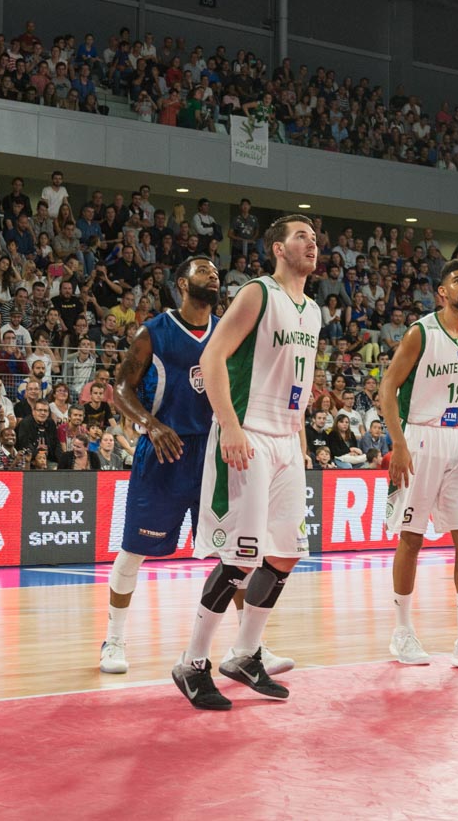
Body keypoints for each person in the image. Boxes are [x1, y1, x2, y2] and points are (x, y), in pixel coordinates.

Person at [98, 257, 291, 677]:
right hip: (165, 453)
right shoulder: (153, 332)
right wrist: (149, 425)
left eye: (216, 271)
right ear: (182, 283)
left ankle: (245, 648)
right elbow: (121, 389)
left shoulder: (230, 329)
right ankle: (113, 638)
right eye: (203, 270)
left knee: (238, 551)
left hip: (218, 452)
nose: (213, 275)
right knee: (134, 551)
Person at [172, 215, 319, 711]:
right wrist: (230, 426)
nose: (312, 243)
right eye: (301, 236)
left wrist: (298, 436)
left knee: (286, 552)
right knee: (240, 556)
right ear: (278, 248)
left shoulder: (314, 310)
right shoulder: (258, 292)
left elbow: (296, 385)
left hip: (286, 440)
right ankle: (192, 662)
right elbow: (212, 357)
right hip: (248, 433)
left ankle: (244, 653)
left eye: (315, 238)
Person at [379, 258, 458, 670]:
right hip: (421, 435)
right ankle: (402, 631)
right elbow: (387, 388)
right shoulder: (420, 332)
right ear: (442, 292)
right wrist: (398, 443)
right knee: (411, 537)